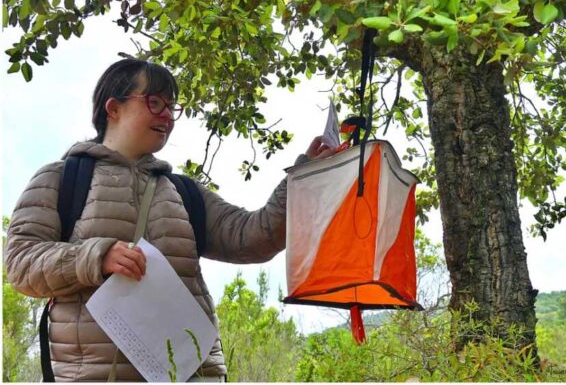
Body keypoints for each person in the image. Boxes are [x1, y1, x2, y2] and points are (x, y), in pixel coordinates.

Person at [3, 59, 334, 382]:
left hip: (193, 373)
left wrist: (304, 179)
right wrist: (97, 255)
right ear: (112, 108)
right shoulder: (60, 179)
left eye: (172, 107)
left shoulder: (183, 190)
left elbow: (253, 237)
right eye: (155, 102)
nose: (167, 115)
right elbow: (19, 264)